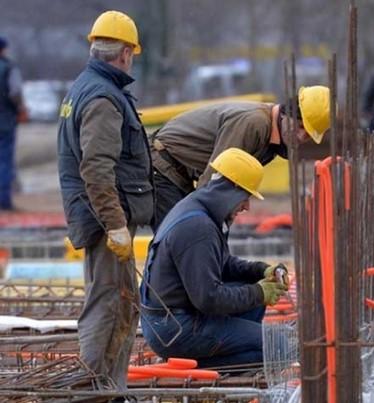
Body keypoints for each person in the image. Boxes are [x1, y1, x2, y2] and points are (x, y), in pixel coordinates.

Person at [57, 10, 153, 392]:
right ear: (126, 52)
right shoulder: (102, 98)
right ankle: (91, 391)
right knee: (108, 307)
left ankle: (109, 390)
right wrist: (114, 224)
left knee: (122, 305)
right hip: (103, 222)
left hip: (97, 216)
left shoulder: (87, 87)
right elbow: (95, 169)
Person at [140, 148, 288, 367]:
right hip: (174, 329)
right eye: (246, 196)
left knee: (254, 301)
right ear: (232, 190)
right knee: (278, 346)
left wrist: (260, 271)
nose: (247, 206)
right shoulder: (198, 228)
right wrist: (258, 292)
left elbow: (223, 263)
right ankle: (197, 364)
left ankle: (214, 350)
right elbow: (208, 298)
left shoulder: (200, 209)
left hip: (171, 320)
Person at [150, 85, 331, 230]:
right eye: (299, 126)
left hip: (179, 172)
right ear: (286, 113)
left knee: (189, 235)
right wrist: (213, 229)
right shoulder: (255, 124)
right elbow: (216, 178)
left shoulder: (271, 140)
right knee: (181, 236)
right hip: (164, 165)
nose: (300, 137)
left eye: (307, 135)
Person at [0, 36, 26, 210]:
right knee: (4, 160)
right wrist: (22, 109)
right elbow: (15, 92)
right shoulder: (8, 67)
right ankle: (4, 201)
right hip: (5, 121)